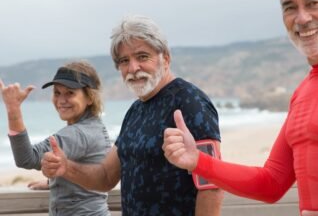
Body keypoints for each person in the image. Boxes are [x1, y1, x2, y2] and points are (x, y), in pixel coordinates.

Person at [162, 0, 318, 215]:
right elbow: (271, 183)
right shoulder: (303, 91)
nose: (302, 18)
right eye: (290, 7)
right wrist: (197, 161)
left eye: (313, 3)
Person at [41, 15, 223, 216]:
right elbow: (105, 177)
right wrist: (66, 167)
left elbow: (211, 184)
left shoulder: (190, 102)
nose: (133, 68)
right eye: (124, 61)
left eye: (142, 56)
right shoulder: (135, 111)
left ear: (166, 58)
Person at [0, 61, 112, 215]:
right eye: (57, 92)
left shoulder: (77, 133)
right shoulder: (95, 126)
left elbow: (26, 158)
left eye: (70, 93)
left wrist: (13, 109)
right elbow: (85, 165)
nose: (61, 100)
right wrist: (55, 182)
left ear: (90, 97)